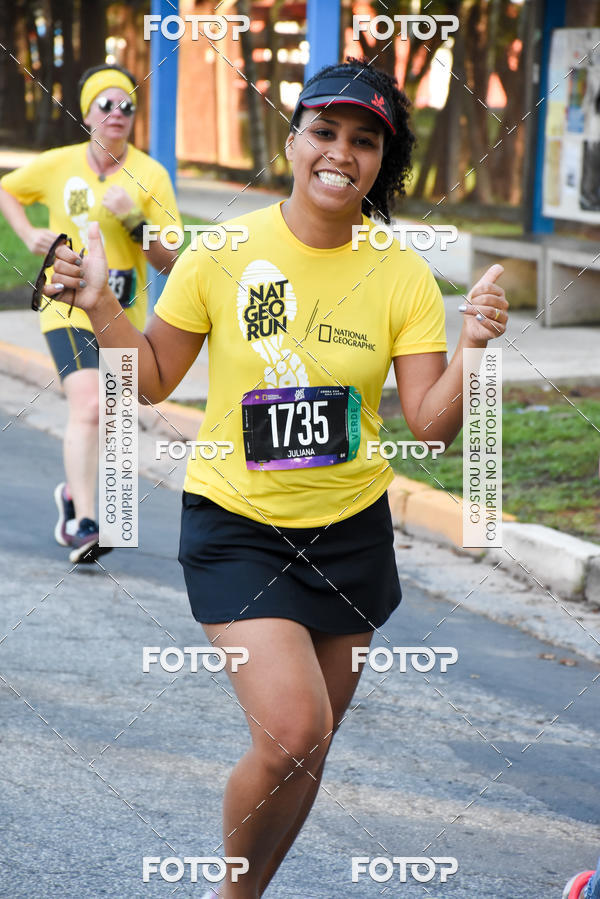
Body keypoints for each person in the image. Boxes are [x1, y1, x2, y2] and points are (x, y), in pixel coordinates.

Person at [42, 58, 508, 898]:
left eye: (365, 141)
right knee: (293, 728)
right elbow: (150, 379)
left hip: (352, 532)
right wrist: (99, 305)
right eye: (325, 131)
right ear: (294, 141)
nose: (342, 153)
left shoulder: (399, 270)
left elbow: (431, 422)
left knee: (311, 746)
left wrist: (473, 344)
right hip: (238, 524)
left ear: (382, 162)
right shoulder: (223, 250)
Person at [0, 63, 181, 563]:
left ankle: (73, 498)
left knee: (116, 417)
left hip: (121, 314)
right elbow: (7, 189)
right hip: (65, 304)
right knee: (90, 404)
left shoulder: (150, 175)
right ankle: (84, 522)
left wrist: (134, 219)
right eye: (107, 105)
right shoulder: (58, 164)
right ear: (88, 116)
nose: (118, 113)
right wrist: (25, 234)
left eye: (127, 105)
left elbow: (170, 258)